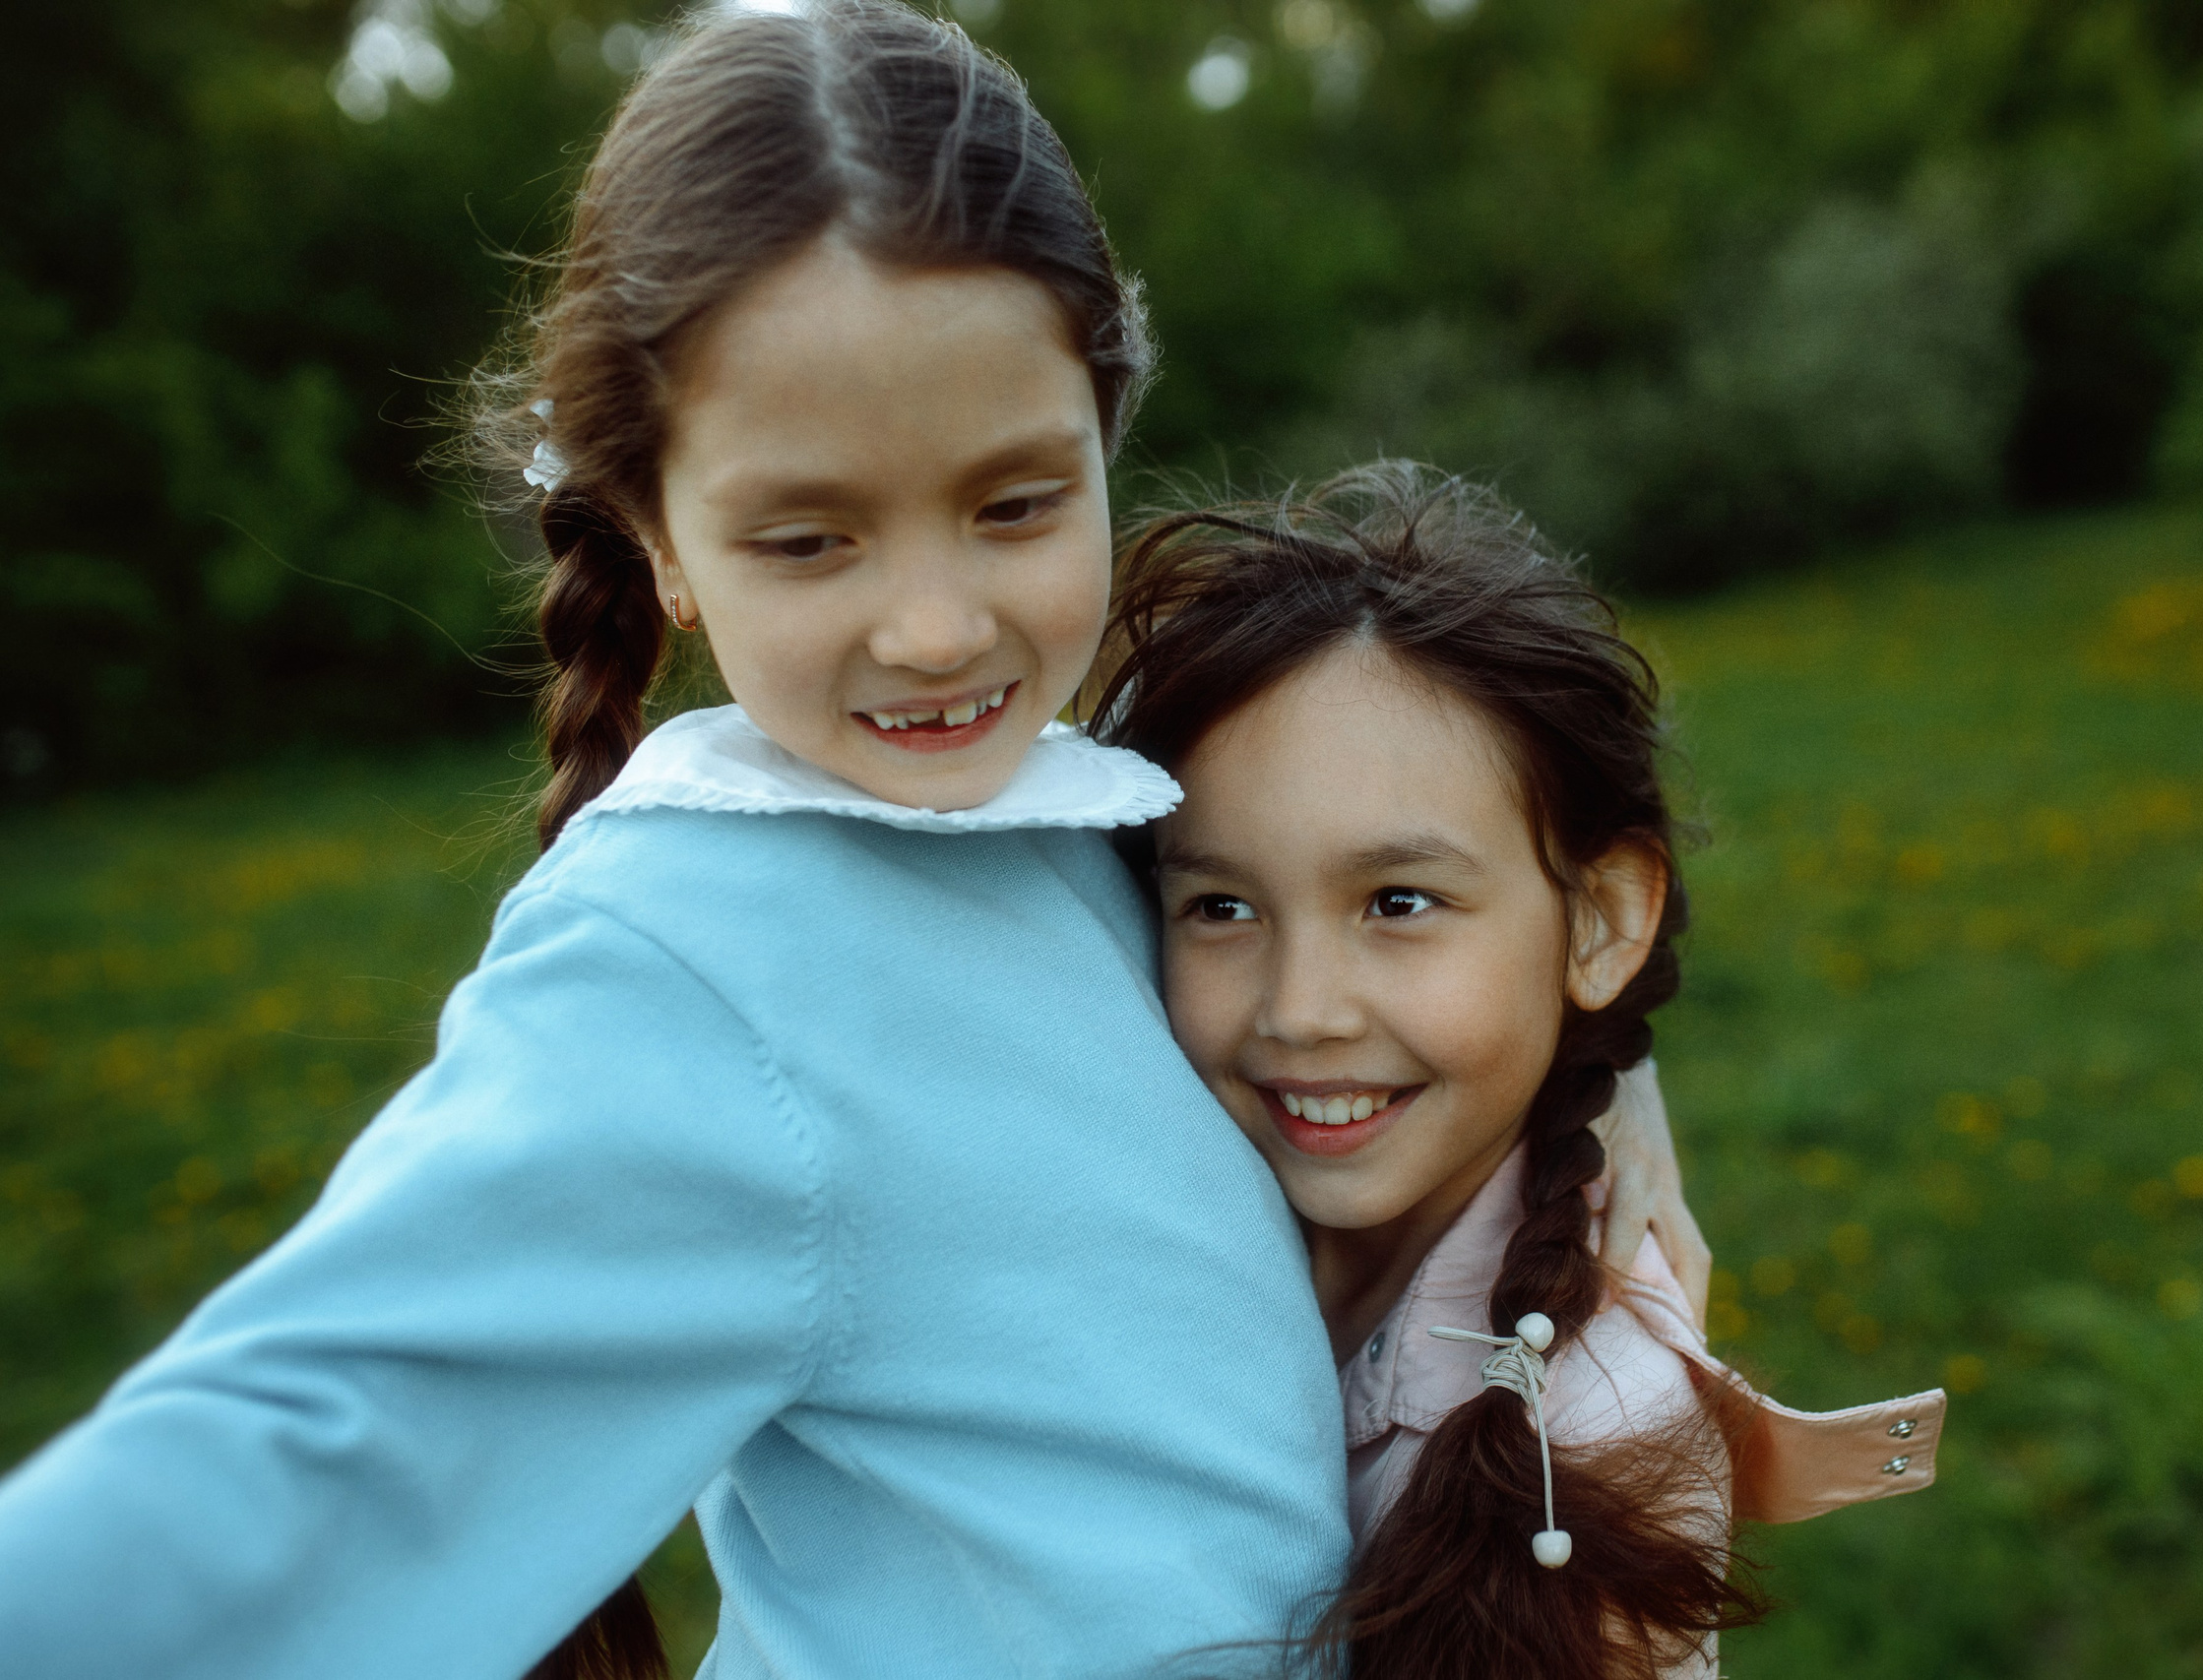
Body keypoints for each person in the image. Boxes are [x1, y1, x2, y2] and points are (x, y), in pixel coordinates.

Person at [0, 11, 1696, 1677]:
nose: (939, 629)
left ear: (1105, 427)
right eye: (810, 539)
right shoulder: (693, 957)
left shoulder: (1079, 805)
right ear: (661, 541)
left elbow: (1429, 904)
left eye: (1015, 504)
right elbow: (307, 1452)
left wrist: (1606, 1090)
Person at [1093, 463, 1949, 1680]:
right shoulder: (1169, 1181)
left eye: (1398, 901)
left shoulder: (1592, 1451)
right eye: (1221, 905)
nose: (1300, 1011)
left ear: (1601, 921)